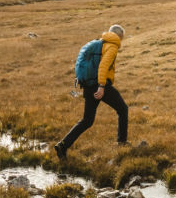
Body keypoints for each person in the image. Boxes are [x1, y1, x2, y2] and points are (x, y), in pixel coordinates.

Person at [55, 24, 128, 159]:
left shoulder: (100, 43)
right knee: (123, 109)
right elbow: (103, 66)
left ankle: (62, 145)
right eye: (122, 37)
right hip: (99, 85)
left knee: (87, 120)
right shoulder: (112, 46)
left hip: (88, 85)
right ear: (119, 36)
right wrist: (101, 86)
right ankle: (122, 142)